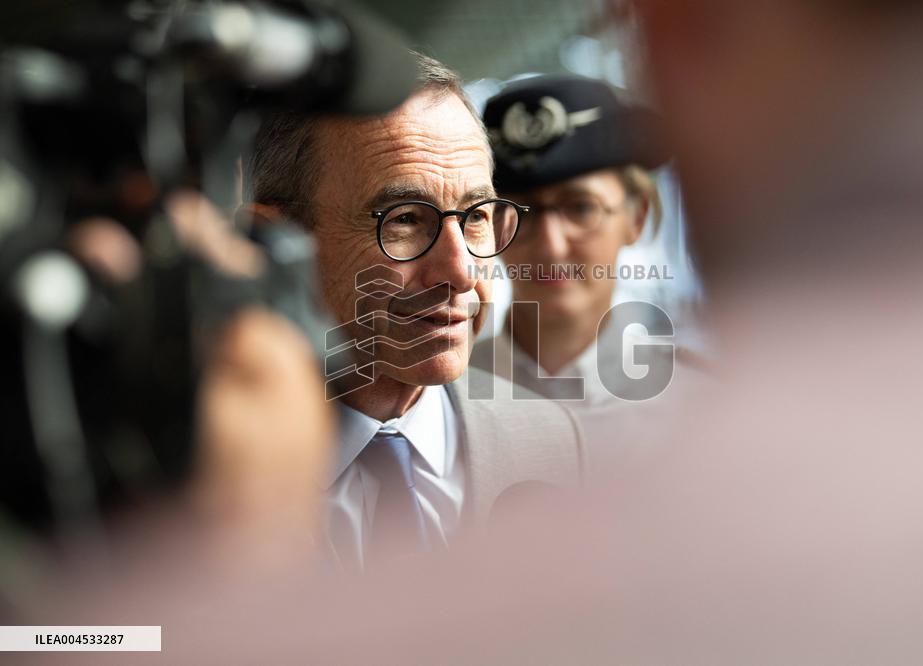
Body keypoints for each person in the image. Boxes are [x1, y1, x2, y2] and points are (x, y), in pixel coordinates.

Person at [243, 54, 585, 568]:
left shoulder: (551, 441)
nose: (462, 272)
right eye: (403, 219)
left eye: (476, 217)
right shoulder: (183, 475)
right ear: (269, 241)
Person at [471, 75, 705, 474]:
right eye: (519, 214)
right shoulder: (438, 403)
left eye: (581, 208)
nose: (551, 246)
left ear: (637, 217)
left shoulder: (700, 406)